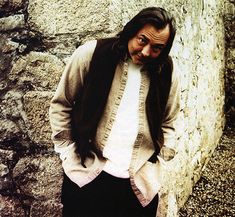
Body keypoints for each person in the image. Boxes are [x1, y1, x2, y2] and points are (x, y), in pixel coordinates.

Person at [49, 6, 180, 217]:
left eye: (157, 48)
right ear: (131, 31)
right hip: (87, 175)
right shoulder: (91, 54)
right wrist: (66, 150)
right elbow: (61, 103)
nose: (147, 52)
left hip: (138, 184)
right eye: (142, 40)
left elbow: (170, 120)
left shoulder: (167, 72)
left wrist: (161, 158)